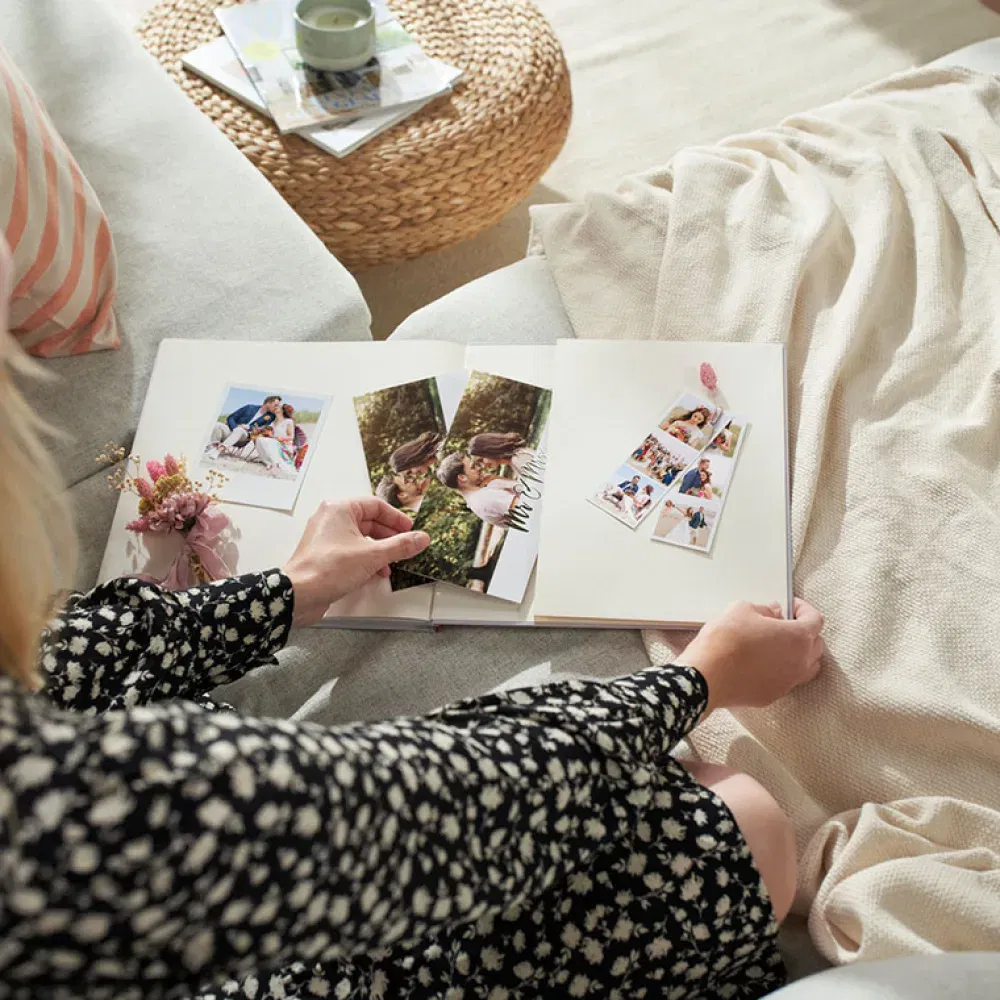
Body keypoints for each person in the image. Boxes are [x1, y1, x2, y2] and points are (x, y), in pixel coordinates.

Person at [0, 238, 826, 1000]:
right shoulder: (76, 809)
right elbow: (434, 804)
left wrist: (289, 588)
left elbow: (86, 653)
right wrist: (698, 680)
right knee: (740, 827)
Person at [437, 449, 523, 527]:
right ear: (462, 478)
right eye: (473, 467)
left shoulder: (478, 496)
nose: (479, 468)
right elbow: (525, 507)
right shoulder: (485, 497)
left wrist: (495, 479)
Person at [375, 430, 442, 513]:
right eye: (408, 476)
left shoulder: (441, 451)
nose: (414, 477)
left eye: (409, 472)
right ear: (402, 495)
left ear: (411, 459)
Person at [209, 394, 282, 455]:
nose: (277, 407)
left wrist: (248, 427)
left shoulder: (271, 417)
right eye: (275, 405)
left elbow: (262, 429)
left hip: (244, 437)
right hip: (232, 431)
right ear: (268, 403)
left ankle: (219, 450)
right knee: (217, 425)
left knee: (240, 430)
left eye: (278, 406)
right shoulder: (249, 407)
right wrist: (235, 427)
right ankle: (212, 448)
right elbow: (231, 417)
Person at [254, 402, 298, 475]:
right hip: (274, 441)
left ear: (282, 410)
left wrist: (278, 438)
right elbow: (270, 433)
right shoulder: (274, 422)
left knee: (265, 441)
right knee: (259, 439)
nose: (276, 408)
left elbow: (291, 437)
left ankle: (275, 463)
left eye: (278, 407)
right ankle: (268, 462)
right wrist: (260, 430)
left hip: (284, 444)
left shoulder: (288, 421)